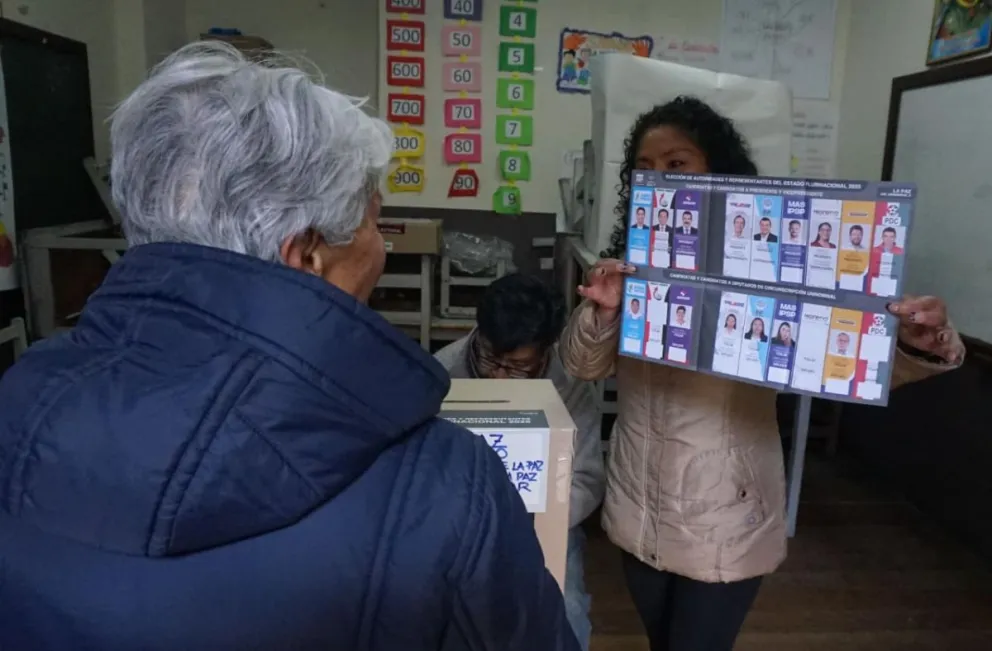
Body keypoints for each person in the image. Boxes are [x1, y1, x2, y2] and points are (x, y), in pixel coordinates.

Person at [0, 43, 578, 651]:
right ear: (305, 255)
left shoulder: (19, 400)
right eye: (373, 221)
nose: (381, 247)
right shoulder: (443, 485)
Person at [581, 95, 965, 651]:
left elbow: (845, 357)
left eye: (677, 163)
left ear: (719, 173)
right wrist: (601, 313)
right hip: (637, 507)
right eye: (645, 168)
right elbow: (582, 364)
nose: (659, 178)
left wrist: (915, 344)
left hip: (726, 512)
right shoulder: (629, 265)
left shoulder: (775, 268)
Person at [434, 273, 605, 651]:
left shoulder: (571, 386)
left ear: (545, 350)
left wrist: (544, 518)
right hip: (458, 523)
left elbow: (587, 478)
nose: (499, 378)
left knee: (567, 609)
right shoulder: (441, 373)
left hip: (543, 522)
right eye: (490, 359)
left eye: (516, 367)